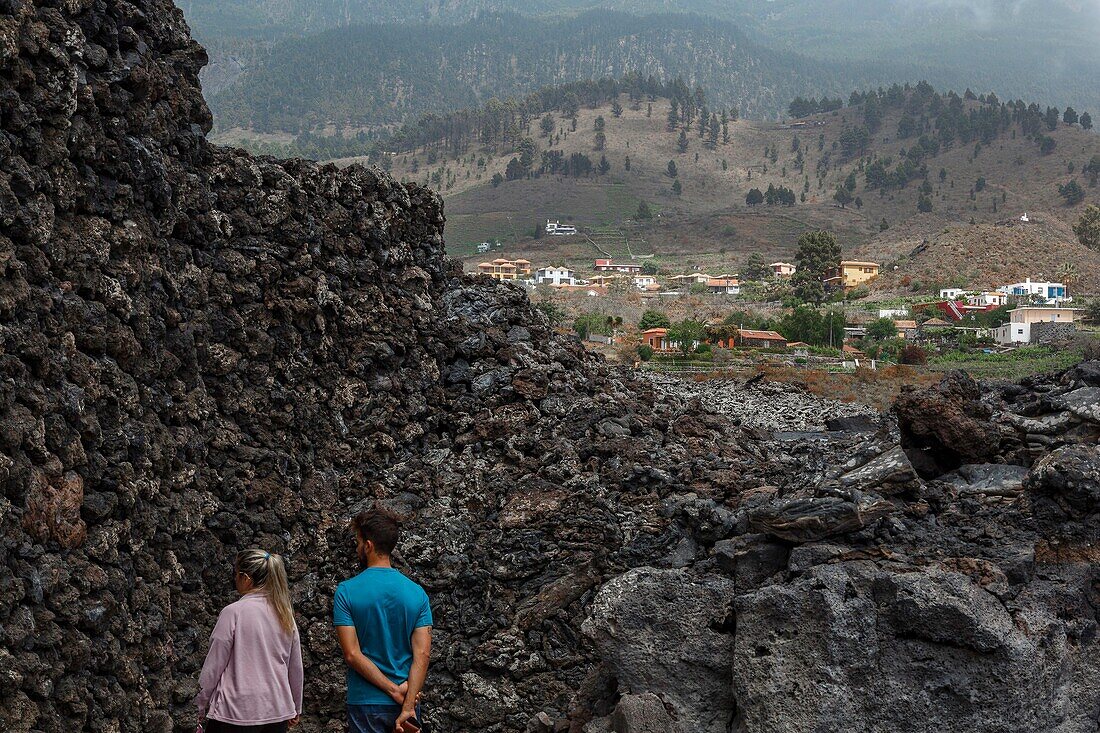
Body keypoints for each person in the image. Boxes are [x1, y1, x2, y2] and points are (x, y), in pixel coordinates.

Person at [334, 506, 433, 733]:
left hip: (365, 702)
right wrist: (406, 703)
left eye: (359, 542)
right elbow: (423, 654)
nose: (358, 548)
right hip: (405, 702)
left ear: (368, 546)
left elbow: (352, 654)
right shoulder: (417, 593)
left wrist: (391, 690)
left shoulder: (346, 591)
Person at [195, 550, 304, 732]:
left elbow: (214, 665)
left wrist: (199, 705)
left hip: (235, 711)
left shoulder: (233, 612)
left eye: (236, 574)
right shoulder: (285, 614)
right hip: (277, 710)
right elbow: (295, 666)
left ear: (246, 578)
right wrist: (295, 706)